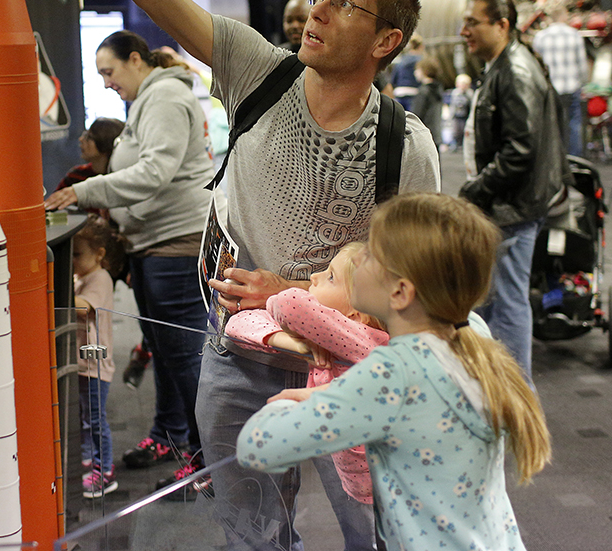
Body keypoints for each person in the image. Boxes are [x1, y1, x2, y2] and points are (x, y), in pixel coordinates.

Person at [35, 0, 440, 548]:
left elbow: (421, 291)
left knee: (380, 531)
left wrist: (289, 290)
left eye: (346, 4)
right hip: (234, 354)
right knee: (250, 530)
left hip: (349, 368)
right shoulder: (261, 71)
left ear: (387, 43)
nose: (318, 9)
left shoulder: (403, 146)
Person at [236, 193, 551, 551]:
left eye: (369, 254)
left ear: (400, 292)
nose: (358, 256)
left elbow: (257, 446)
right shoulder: (472, 330)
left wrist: (294, 402)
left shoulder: (392, 375)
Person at [45, 30, 215, 486]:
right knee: (168, 354)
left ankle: (210, 461)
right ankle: (177, 439)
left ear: (135, 59)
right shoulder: (149, 101)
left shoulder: (162, 100)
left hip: (175, 245)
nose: (105, 82)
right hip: (155, 243)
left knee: (184, 357)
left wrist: (82, 191)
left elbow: (154, 173)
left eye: (108, 71)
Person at [225, 242, 389, 505]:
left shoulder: (366, 340)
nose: (314, 277)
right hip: (363, 482)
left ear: (357, 311)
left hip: (390, 479)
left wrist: (288, 300)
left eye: (331, 277)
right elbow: (236, 324)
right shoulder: (331, 334)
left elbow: (289, 302)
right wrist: (293, 342)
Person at [458, 0, 567, 379]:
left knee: (506, 303)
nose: (463, 30)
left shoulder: (516, 71)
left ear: (502, 25)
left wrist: (474, 191)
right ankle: (493, 393)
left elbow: (520, 151)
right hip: (504, 207)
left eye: (473, 22)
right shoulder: (501, 65)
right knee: (489, 301)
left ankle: (517, 404)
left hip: (513, 209)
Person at [73, 216, 126, 498]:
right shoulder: (83, 277)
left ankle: (104, 470)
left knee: (95, 418)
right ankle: (89, 458)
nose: (72, 261)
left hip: (95, 365)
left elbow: (83, 308)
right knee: (85, 416)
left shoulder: (100, 279)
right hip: (84, 363)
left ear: (100, 254)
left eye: (77, 254)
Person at [532, 5, 588, 157]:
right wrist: (584, 84)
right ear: (564, 16)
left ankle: (554, 159)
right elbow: (582, 63)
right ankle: (574, 159)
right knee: (573, 123)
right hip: (571, 87)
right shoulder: (574, 35)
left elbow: (536, 65)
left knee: (552, 125)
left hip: (551, 89)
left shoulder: (541, 37)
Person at [55, 117, 125, 193]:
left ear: (105, 143)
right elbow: (54, 202)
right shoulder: (75, 176)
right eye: (84, 134)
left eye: (88, 137)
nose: (81, 139)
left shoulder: (122, 179)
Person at [409, 56, 444, 150]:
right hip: (435, 135)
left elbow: (416, 116)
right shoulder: (438, 89)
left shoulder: (423, 92)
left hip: (424, 137)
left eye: (417, 70)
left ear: (425, 71)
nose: (415, 73)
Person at [388, 34, 423, 111]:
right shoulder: (421, 61)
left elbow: (393, 79)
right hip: (414, 94)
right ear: (421, 47)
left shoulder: (401, 60)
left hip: (399, 93)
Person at [448, 73, 472, 151]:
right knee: (456, 131)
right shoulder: (455, 93)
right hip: (457, 116)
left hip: (465, 116)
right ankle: (454, 144)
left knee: (465, 131)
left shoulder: (469, 93)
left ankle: (463, 145)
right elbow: (453, 105)